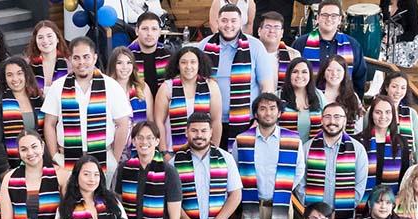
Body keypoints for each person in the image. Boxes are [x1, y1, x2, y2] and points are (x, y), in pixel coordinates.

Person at [43, 37, 133, 176]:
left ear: (95, 58)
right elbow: (49, 123)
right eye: (76, 58)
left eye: (86, 57)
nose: (81, 62)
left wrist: (114, 158)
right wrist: (55, 155)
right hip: (66, 159)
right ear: (70, 59)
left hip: (103, 158)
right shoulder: (58, 86)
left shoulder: (111, 86)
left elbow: (123, 123)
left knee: (100, 198)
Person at [231, 93, 304, 219]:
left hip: (281, 204)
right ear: (256, 114)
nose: (268, 113)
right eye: (263, 109)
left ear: (279, 113)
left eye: (272, 108)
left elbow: (299, 170)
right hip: (252, 205)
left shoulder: (292, 140)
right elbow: (235, 171)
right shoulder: (242, 140)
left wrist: (283, 189)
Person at [196, 4, 277, 141]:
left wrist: (260, 119)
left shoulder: (255, 47)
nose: (229, 25)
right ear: (217, 22)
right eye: (224, 20)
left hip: (247, 121)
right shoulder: (203, 46)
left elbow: (267, 87)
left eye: (233, 21)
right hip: (209, 122)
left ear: (241, 23)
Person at [174, 113, 243, 219]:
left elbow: (236, 195)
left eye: (204, 131)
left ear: (211, 132)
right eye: (194, 131)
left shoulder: (225, 158)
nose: (199, 135)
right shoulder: (175, 162)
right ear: (186, 132)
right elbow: (171, 201)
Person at [298, 103, 368, 219]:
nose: (332, 122)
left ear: (345, 120)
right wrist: (316, 213)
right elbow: (300, 183)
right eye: (328, 117)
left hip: (343, 216)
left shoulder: (357, 150)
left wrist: (341, 209)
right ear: (321, 120)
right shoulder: (307, 148)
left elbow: (360, 186)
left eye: (337, 117)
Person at [0, 56, 45, 177]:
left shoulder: (37, 99)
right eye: (10, 75)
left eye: (19, 73)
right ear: (4, 78)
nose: (15, 79)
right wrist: (4, 170)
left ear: (26, 75)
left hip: (37, 164)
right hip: (9, 168)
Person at [153, 46, 221, 153]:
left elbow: (216, 121)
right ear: (178, 65)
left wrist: (214, 150)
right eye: (183, 62)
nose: (188, 66)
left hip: (204, 151)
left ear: (199, 65)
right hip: (172, 152)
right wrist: (164, 152)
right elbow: (159, 122)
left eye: (193, 62)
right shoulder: (167, 88)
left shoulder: (211, 86)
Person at [297, 0, 366, 92]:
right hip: (309, 102)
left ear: (340, 19)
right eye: (325, 15)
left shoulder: (353, 45)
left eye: (334, 16)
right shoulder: (301, 43)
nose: (329, 19)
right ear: (317, 18)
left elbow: (359, 78)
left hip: (342, 102)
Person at [357, 96, 411, 197]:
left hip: (389, 204)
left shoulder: (401, 142)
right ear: (371, 114)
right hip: (361, 202)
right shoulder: (359, 141)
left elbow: (404, 178)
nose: (383, 116)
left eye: (387, 112)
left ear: (393, 115)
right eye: (378, 112)